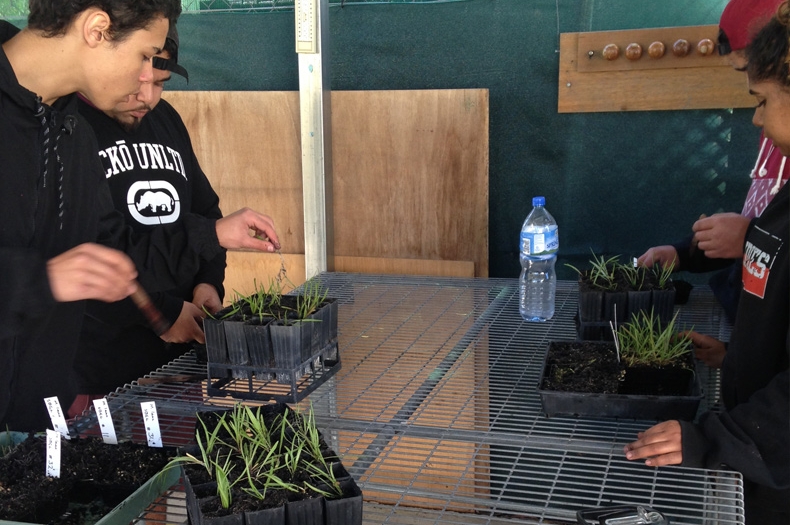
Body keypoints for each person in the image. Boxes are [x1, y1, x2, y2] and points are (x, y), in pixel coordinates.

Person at [0, 0, 281, 432]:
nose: (148, 78)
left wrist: (168, 297)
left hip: (35, 426)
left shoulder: (70, 135)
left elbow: (109, 249)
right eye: (145, 56)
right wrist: (42, 279)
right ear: (96, 29)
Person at [624, 5, 790, 523]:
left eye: (761, 99)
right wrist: (739, 356)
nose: (756, 118)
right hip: (760, 446)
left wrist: (710, 439)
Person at [67, 25, 225, 417]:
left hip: (178, 362)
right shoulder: (66, 124)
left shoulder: (166, 119)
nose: (148, 97)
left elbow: (204, 209)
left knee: (178, 472)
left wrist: (208, 280)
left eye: (161, 83)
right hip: (100, 371)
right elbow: (83, 256)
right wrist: (161, 314)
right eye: (140, 82)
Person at [637, 0, 788, 330]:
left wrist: (749, 236)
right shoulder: (774, 132)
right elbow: (761, 229)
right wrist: (684, 255)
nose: (756, 115)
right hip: (746, 325)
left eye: (752, 67)